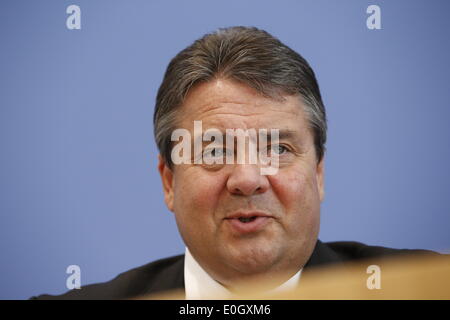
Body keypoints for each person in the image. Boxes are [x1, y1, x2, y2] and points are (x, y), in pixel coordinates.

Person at [32, 26, 440, 300]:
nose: (247, 179)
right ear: (169, 182)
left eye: (277, 149)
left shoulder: (429, 289)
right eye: (214, 151)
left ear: (318, 173)